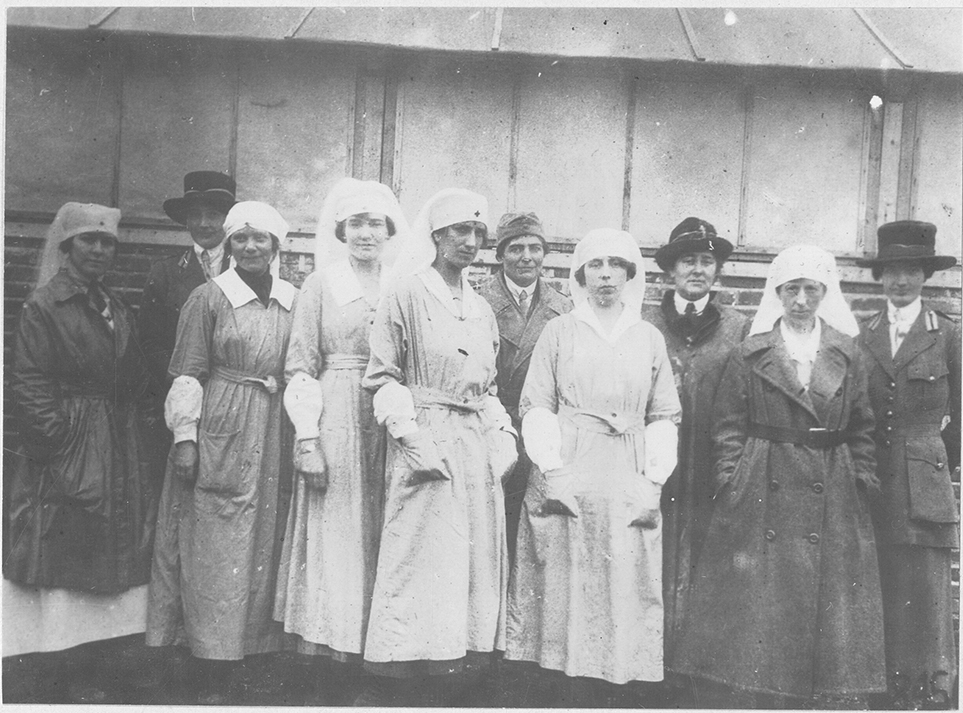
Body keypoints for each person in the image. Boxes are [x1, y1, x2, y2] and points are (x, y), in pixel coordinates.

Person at [673, 245, 885, 707]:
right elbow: (728, 425)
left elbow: (864, 426)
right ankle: (761, 691)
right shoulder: (752, 352)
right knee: (760, 610)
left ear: (824, 293)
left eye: (811, 290)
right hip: (762, 481)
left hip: (832, 483)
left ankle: (818, 693)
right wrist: (733, 477)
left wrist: (861, 480)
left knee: (828, 607)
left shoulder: (848, 353)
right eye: (792, 290)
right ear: (778, 293)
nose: (801, 300)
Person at [504, 228, 681, 707]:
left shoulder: (647, 337)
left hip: (627, 464)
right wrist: (552, 467)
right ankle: (563, 684)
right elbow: (536, 403)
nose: (606, 275)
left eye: (616, 265)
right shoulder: (560, 331)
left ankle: (617, 680)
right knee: (566, 576)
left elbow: (664, 413)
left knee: (624, 573)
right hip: (571, 461)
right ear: (581, 275)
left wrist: (654, 479)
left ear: (628, 274)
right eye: (596, 266)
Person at [358, 188, 518, 706]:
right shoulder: (406, 292)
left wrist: (502, 438)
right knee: (420, 553)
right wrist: (412, 439)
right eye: (458, 233)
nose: (470, 242)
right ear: (436, 237)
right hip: (424, 438)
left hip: (473, 443)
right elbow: (382, 377)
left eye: (477, 234)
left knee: (467, 558)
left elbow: (488, 388)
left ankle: (458, 666)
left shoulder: (482, 308)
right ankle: (404, 671)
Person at [4, 202, 160, 702]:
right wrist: (60, 446)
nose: (98, 250)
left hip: (115, 441)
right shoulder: (45, 306)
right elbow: (29, 383)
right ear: (67, 247)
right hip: (70, 442)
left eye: (107, 242)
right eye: (88, 241)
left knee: (109, 554)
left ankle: (97, 664)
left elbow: (131, 375)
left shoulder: (112, 302)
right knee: (67, 548)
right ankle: (60, 671)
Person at [145, 201, 298, 704]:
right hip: (221, 425)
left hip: (273, 426)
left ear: (277, 246)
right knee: (215, 540)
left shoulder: (292, 300)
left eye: (261, 239)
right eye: (241, 239)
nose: (251, 248)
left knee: (262, 539)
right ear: (229, 246)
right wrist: (186, 440)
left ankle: (252, 649)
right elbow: (188, 372)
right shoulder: (207, 298)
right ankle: (210, 657)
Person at [273, 178, 408, 698]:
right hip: (337, 411)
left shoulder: (402, 283)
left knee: (385, 524)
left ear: (390, 231)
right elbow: (300, 365)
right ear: (341, 230)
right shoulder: (321, 284)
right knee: (340, 527)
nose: (366, 233)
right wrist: (308, 438)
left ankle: (380, 649)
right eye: (357, 223)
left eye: (376, 224)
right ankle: (333, 651)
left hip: (388, 417)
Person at [855, 221, 960, 709]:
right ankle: (886, 685)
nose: (901, 281)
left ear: (925, 275)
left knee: (928, 585)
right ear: (880, 277)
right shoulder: (864, 335)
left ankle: (935, 687)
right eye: (892, 271)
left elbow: (959, 418)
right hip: (874, 478)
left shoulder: (948, 336)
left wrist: (935, 464)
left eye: (911, 270)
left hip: (924, 480)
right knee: (880, 580)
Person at [641, 217, 748, 688]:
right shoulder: (645, 325)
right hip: (651, 459)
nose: (698, 269)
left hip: (710, 461)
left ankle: (695, 667)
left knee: (708, 555)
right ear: (670, 270)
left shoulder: (738, 329)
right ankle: (648, 660)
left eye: (707, 260)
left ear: (717, 270)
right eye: (688, 260)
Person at [477, 212, 572, 564]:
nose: (527, 257)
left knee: (534, 529)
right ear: (500, 255)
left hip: (542, 433)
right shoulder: (477, 303)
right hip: (494, 429)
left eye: (535, 248)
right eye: (516, 248)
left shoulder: (562, 308)